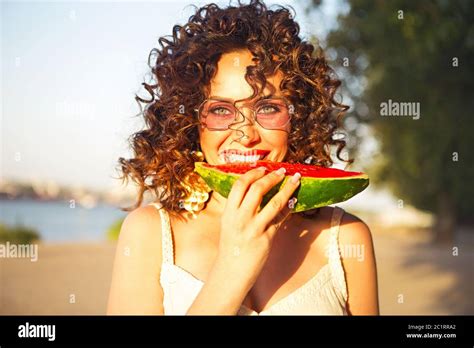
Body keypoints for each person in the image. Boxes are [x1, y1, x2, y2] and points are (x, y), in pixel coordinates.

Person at [107, 0, 379, 315]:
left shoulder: (346, 237)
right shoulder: (148, 233)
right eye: (221, 110)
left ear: (297, 119)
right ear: (193, 124)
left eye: (267, 108)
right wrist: (233, 268)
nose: (245, 133)